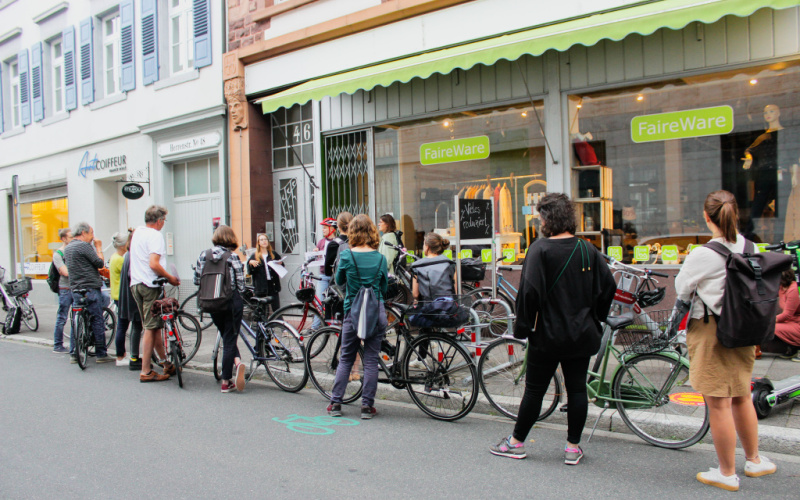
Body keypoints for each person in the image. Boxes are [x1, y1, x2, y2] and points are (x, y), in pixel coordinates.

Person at [489, 193, 615, 465]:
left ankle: (516, 443)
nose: (538, 221)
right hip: (581, 333)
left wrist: (523, 328)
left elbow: (529, 293)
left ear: (547, 219)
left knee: (534, 390)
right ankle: (572, 448)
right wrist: (597, 316)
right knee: (577, 389)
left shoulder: (540, 249)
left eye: (539, 216)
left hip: (546, 334)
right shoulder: (587, 249)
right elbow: (609, 286)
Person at [675, 190, 777, 491]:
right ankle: (755, 460)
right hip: (745, 329)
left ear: (707, 217)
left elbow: (682, 289)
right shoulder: (750, 245)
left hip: (713, 331)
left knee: (718, 403)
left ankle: (726, 472)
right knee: (742, 394)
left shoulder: (702, 254)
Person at [327, 214, 388, 420]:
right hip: (375, 312)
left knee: (346, 357)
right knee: (371, 361)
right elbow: (384, 288)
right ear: (372, 231)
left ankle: (336, 403)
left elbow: (339, 280)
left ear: (352, 232)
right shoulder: (380, 258)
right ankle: (367, 406)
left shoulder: (346, 256)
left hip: (352, 311)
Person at [129, 205, 180, 383]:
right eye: (164, 221)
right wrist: (170, 278)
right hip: (150, 284)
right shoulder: (155, 235)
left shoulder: (137, 233)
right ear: (158, 221)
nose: (163, 224)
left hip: (135, 283)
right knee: (150, 328)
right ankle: (146, 371)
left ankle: (165, 363)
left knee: (154, 325)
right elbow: (154, 263)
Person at [195, 225, 247, 393]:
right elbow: (241, 284)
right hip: (231, 301)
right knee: (231, 337)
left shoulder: (204, 254)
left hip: (211, 302)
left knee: (226, 334)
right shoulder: (232, 256)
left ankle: (237, 362)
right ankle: (226, 380)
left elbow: (197, 280)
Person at [64, 222, 114, 364]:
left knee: (76, 319)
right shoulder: (84, 246)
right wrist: (98, 247)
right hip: (90, 287)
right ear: (84, 233)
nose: (93, 237)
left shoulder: (68, 248)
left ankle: (74, 353)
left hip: (75, 288)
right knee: (96, 318)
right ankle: (101, 354)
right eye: (91, 233)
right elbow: (99, 263)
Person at [116, 229, 144, 371]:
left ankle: (132, 356)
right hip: (133, 296)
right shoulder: (134, 255)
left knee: (132, 326)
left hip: (125, 295)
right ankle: (134, 358)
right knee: (137, 325)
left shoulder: (127, 254)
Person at [761, 268, 800, 361]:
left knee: (770, 327)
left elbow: (787, 315)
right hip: (790, 321)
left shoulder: (793, 289)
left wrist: (768, 321)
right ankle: (793, 349)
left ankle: (797, 347)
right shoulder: (782, 287)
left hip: (797, 323)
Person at [312, 218, 337, 329]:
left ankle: (333, 325)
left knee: (333, 301)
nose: (323, 230)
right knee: (319, 302)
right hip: (323, 275)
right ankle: (315, 326)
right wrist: (315, 253)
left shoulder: (337, 242)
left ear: (332, 229)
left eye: (325, 228)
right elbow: (318, 257)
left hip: (334, 276)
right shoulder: (321, 242)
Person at [247, 233, 282, 313]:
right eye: (261, 240)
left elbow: (281, 265)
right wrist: (250, 263)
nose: (264, 241)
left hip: (272, 284)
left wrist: (280, 264)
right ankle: (263, 324)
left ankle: (279, 323)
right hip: (261, 285)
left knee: (276, 308)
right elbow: (250, 271)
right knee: (262, 309)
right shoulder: (255, 256)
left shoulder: (273, 254)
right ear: (258, 243)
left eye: (265, 239)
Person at [52, 228, 74, 354]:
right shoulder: (58, 254)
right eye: (71, 237)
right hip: (65, 289)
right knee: (62, 317)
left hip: (74, 287)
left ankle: (74, 346)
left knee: (76, 318)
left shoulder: (73, 251)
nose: (73, 239)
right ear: (64, 239)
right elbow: (64, 272)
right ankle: (57, 344)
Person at [109, 232, 129, 365]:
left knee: (122, 325)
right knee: (122, 326)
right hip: (121, 295)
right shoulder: (120, 260)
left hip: (116, 294)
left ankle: (121, 355)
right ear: (123, 245)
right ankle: (120, 356)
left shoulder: (114, 257)